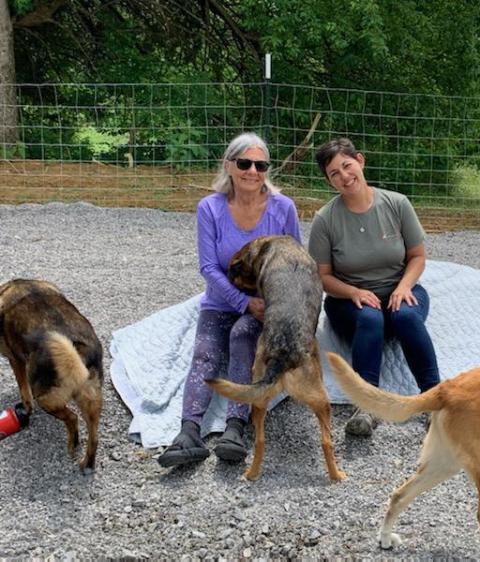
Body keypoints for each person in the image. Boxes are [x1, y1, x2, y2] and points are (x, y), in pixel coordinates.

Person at [158, 132, 301, 467]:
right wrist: (242, 302)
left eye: (260, 165)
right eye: (245, 163)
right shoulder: (210, 208)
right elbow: (208, 267)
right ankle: (188, 432)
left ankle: (235, 428)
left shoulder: (283, 208)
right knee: (205, 353)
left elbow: (295, 261)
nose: (252, 171)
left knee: (241, 338)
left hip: (265, 304)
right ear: (229, 165)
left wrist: (273, 306)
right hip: (222, 301)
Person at [308, 137, 440, 437]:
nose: (344, 176)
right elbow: (322, 276)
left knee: (406, 316)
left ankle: (435, 400)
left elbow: (417, 257)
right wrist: (353, 292)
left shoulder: (397, 204)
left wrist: (404, 287)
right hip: (349, 302)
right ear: (329, 181)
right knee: (370, 317)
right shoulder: (325, 219)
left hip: (399, 291)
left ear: (360, 161)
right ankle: (367, 406)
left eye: (347, 165)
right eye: (334, 173)